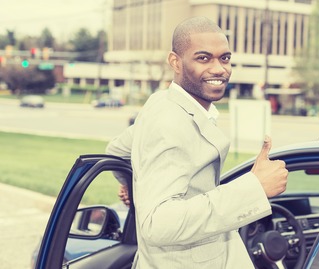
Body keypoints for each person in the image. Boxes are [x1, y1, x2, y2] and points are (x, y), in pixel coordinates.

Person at [106, 16, 288, 269]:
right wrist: (254, 187)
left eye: (224, 58)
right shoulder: (169, 121)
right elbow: (157, 224)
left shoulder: (162, 104)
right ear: (175, 62)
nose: (219, 69)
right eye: (203, 58)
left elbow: (117, 150)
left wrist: (134, 186)